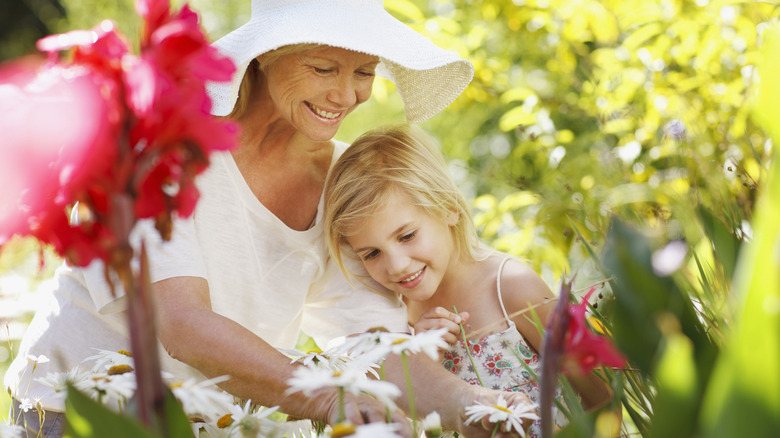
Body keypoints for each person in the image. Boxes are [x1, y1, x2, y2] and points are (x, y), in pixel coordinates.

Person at [5, 1, 531, 437]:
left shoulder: (343, 183)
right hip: (79, 415)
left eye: (364, 72)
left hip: (211, 424)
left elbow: (376, 344)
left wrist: (476, 404)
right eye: (323, 68)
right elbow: (183, 325)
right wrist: (327, 397)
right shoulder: (165, 149)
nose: (346, 95)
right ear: (265, 55)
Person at [324, 124, 616, 437]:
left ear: (448, 207)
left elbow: (604, 399)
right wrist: (420, 361)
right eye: (371, 254)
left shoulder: (512, 287)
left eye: (407, 236)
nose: (396, 266)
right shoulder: (394, 315)